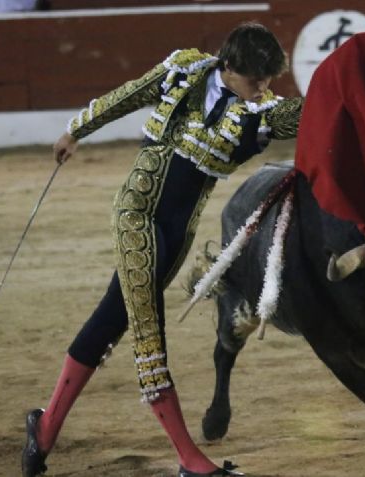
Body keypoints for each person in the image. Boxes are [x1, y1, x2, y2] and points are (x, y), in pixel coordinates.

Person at [22, 22, 303, 477]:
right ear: (229, 67)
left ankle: (44, 429)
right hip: (137, 212)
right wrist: (76, 130)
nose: (262, 90)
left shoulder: (263, 112)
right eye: (256, 81)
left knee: (112, 317)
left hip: (178, 233)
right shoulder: (183, 70)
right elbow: (127, 95)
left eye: (269, 81)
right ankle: (190, 461)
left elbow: (305, 113)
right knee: (148, 330)